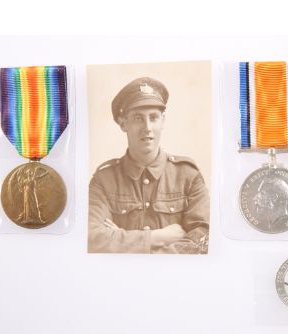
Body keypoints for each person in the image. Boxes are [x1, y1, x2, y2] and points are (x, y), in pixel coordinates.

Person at [88, 76, 209, 254]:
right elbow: (92, 238)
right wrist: (156, 238)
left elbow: (204, 237)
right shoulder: (104, 180)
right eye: (138, 118)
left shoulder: (188, 176)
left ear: (163, 121)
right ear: (123, 124)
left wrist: (126, 242)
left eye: (153, 118)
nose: (147, 128)